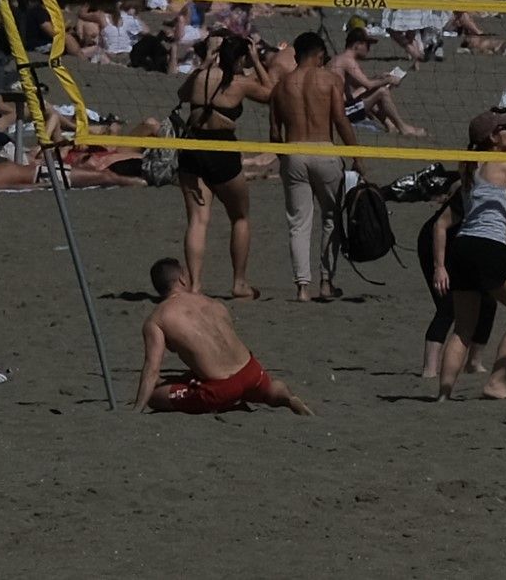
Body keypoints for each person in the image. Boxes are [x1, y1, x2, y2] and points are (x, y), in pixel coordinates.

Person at [433, 110, 506, 401]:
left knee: (462, 329)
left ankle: (444, 394)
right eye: (505, 129)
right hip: (487, 246)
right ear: (493, 137)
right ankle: (496, 380)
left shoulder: (469, 165)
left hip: (462, 247)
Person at [134, 257, 312, 415]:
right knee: (268, 388)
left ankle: (227, 405)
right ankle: (287, 397)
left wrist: (137, 409)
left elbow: (152, 369)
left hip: (221, 388)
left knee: (155, 396)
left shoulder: (157, 319)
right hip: (251, 370)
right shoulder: (212, 302)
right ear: (181, 278)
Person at [418, 110, 506, 379]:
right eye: (505, 129)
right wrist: (440, 267)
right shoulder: (477, 176)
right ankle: (430, 370)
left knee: (487, 302)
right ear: (492, 138)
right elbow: (443, 225)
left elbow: (489, 215)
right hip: (439, 240)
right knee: (449, 306)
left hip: (467, 241)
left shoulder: (494, 176)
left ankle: (472, 364)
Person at [176, 34, 274, 300]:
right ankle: (239, 284)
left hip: (192, 148)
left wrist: (204, 64)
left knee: (197, 220)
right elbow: (272, 93)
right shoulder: (240, 83)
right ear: (240, 57)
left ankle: (195, 286)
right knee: (240, 217)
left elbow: (181, 94)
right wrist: (257, 59)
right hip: (221, 150)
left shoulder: (200, 76)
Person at [269, 32, 362, 303]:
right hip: (324, 150)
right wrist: (358, 155)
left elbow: (274, 133)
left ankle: (301, 287)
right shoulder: (330, 80)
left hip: (294, 152)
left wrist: (285, 159)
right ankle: (325, 282)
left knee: (298, 223)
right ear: (320, 54)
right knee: (331, 218)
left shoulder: (281, 86)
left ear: (296, 55)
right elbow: (341, 121)